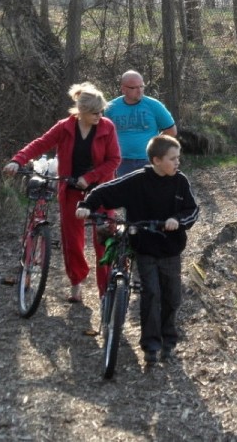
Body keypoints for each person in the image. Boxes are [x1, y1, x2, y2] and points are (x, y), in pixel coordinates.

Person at [76, 135, 199, 365]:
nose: (177, 163)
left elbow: (192, 210)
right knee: (151, 294)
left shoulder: (180, 181)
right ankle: (151, 346)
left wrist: (177, 220)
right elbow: (105, 191)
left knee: (172, 297)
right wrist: (86, 205)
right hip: (144, 247)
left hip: (170, 250)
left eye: (178, 158)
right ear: (156, 160)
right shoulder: (137, 181)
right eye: (173, 159)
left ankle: (168, 340)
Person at [3, 82, 120, 302]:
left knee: (104, 239)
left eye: (101, 111)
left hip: (102, 189)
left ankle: (106, 289)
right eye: (95, 112)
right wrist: (18, 160)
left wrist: (90, 178)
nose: (99, 115)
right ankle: (76, 282)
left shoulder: (107, 127)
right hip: (71, 189)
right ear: (82, 112)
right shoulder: (65, 127)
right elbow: (40, 144)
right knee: (72, 240)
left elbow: (114, 160)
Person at [105, 70, 177, 177]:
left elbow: (171, 131)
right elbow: (102, 134)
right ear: (123, 89)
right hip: (120, 161)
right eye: (134, 88)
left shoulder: (154, 105)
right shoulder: (110, 108)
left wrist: (155, 147)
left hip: (148, 160)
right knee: (124, 192)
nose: (139, 91)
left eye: (142, 86)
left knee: (149, 192)